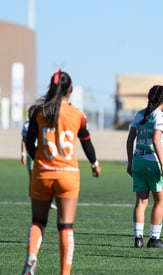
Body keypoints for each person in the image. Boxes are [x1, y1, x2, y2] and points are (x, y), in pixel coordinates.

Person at [22, 69, 101, 275]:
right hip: (67, 175)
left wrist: (40, 159)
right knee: (65, 226)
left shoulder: (39, 112)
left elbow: (30, 143)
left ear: (50, 87)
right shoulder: (78, 115)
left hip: (42, 173)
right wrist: (94, 164)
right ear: (71, 90)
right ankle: (64, 273)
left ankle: (32, 256)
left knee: (38, 222)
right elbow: (87, 144)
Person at [126, 85, 163, 249]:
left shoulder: (138, 114)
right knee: (161, 200)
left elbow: (130, 140)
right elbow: (156, 140)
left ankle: (138, 238)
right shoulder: (161, 116)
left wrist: (130, 162)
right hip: (153, 161)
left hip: (138, 159)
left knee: (141, 201)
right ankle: (154, 238)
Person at [21, 105, 57, 210]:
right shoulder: (27, 125)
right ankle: (34, 198)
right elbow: (24, 140)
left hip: (42, 153)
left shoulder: (42, 123)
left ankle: (47, 200)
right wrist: (23, 154)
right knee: (33, 177)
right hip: (31, 154)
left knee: (45, 177)